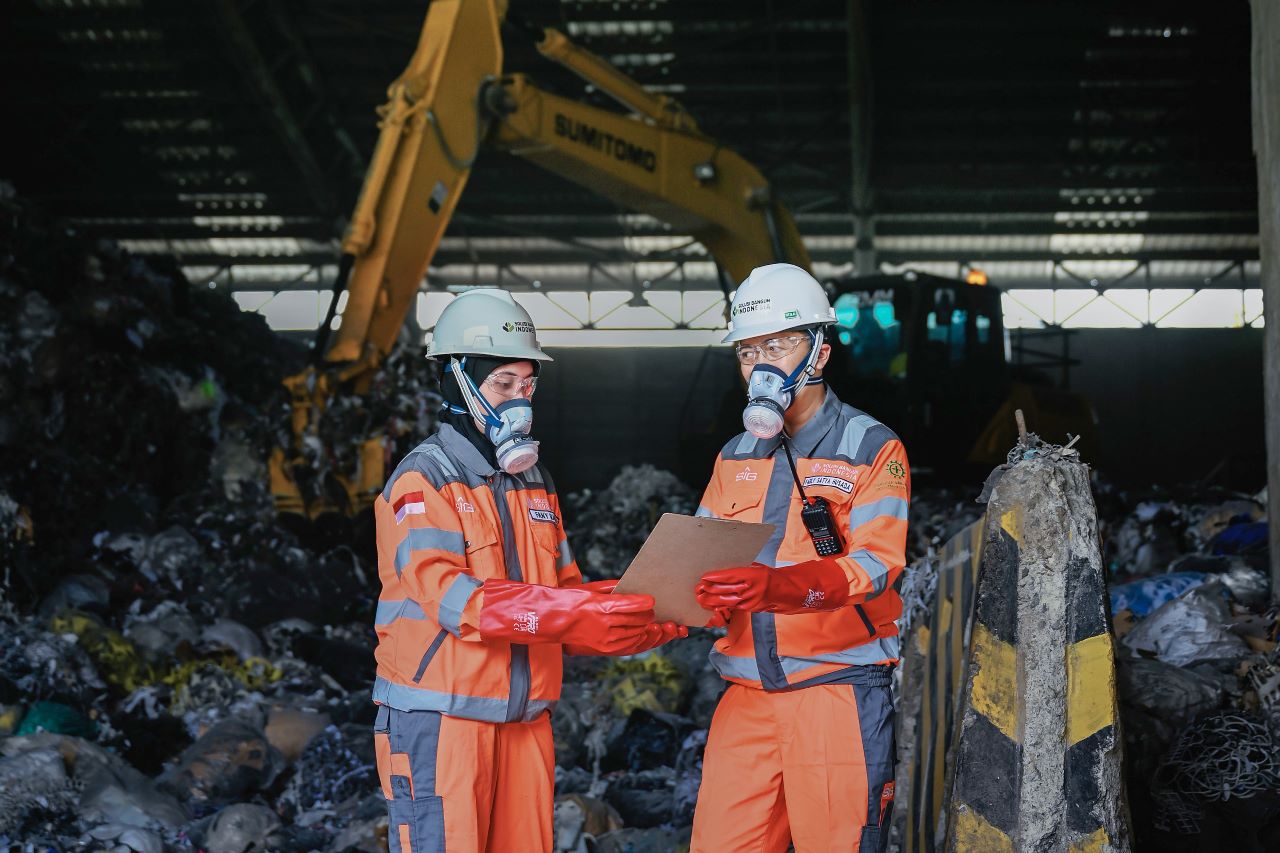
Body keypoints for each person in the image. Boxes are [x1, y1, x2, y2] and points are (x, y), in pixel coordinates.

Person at [371, 288, 685, 853]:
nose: (520, 400)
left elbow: (565, 595)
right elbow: (453, 598)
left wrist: (655, 611)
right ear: (456, 381)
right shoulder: (423, 481)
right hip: (443, 722)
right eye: (503, 384)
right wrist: (575, 613)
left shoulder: (534, 483)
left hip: (524, 723)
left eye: (528, 384)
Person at [689, 264, 910, 853]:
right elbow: (700, 565)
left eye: (777, 346)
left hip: (834, 694)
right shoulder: (735, 454)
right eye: (746, 351)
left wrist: (780, 588)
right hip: (747, 697)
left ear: (819, 354)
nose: (759, 364)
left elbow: (878, 564)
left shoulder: (871, 447)